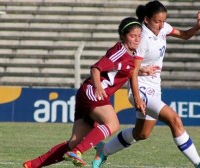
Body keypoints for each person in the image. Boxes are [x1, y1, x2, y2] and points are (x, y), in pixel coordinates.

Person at [92, 1, 200, 168]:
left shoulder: (163, 28)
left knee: (142, 133)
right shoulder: (143, 39)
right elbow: (133, 71)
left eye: (163, 20)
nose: (161, 25)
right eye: (157, 21)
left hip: (155, 88)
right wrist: (138, 98)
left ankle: (103, 150)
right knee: (174, 119)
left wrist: (197, 26)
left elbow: (184, 35)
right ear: (146, 20)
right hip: (140, 89)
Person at [22, 17, 142, 168]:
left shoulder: (130, 55)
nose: (137, 39)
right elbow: (96, 68)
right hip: (93, 92)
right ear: (124, 35)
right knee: (112, 123)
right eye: (133, 36)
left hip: (86, 94)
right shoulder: (120, 51)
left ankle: (32, 165)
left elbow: (123, 69)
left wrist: (143, 70)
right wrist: (98, 87)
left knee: (74, 142)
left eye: (139, 36)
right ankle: (78, 152)